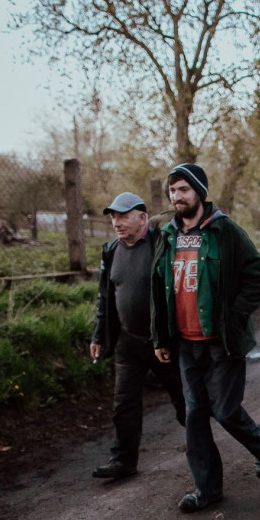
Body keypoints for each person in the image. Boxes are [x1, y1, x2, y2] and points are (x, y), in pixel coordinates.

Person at [151, 163, 260, 513]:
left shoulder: (225, 231)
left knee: (224, 409)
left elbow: (258, 276)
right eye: (172, 191)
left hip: (221, 341)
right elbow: (157, 289)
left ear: (199, 193)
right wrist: (160, 336)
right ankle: (207, 489)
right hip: (185, 343)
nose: (177, 197)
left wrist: (232, 317)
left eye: (183, 190)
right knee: (194, 416)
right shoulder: (167, 235)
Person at [90, 192, 187, 479]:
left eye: (123, 216)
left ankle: (200, 448)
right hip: (127, 341)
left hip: (163, 341)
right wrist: (99, 335)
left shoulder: (161, 244)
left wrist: (170, 336)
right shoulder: (111, 251)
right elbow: (105, 297)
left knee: (183, 399)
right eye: (113, 217)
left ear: (143, 218)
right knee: (124, 403)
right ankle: (123, 460)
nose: (116, 222)